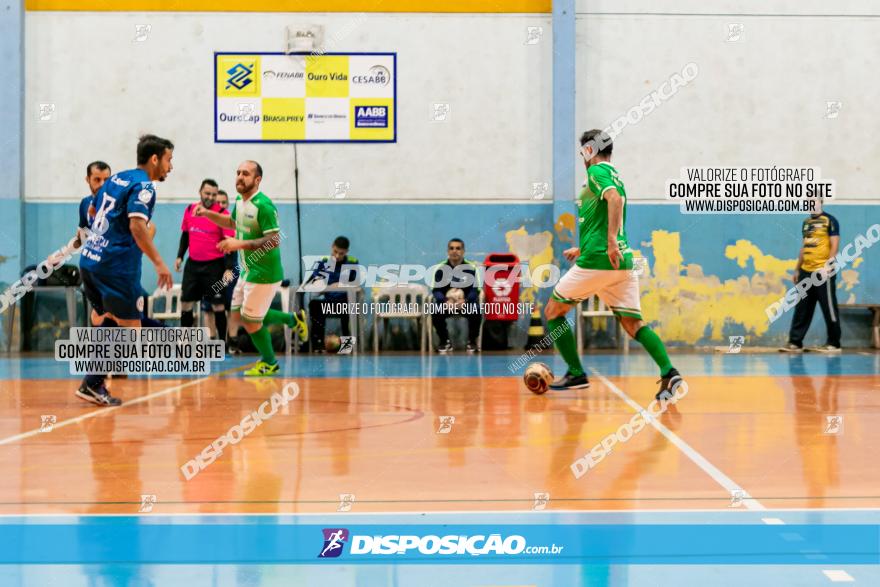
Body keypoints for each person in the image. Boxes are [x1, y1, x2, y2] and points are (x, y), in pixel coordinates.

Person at [544, 129, 684, 398]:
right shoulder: (612, 174)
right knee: (634, 325)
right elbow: (603, 215)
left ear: (588, 151)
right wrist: (584, 245)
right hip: (621, 262)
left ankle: (576, 373)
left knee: (553, 311)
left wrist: (608, 242)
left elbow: (614, 200)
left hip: (600, 260)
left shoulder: (596, 173)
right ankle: (669, 372)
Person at [76, 134, 175, 406]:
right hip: (114, 267)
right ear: (155, 159)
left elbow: (95, 209)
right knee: (130, 332)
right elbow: (137, 226)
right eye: (169, 160)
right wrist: (159, 263)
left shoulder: (118, 178)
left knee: (108, 319)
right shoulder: (144, 186)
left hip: (90, 260)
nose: (170, 167)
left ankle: (93, 383)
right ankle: (93, 382)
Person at [195, 160, 308, 376]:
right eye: (238, 172)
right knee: (239, 315)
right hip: (247, 271)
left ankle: (270, 362)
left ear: (257, 180)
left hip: (264, 274)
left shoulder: (264, 206)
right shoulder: (239, 201)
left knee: (250, 320)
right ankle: (292, 319)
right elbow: (231, 224)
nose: (239, 176)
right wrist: (208, 214)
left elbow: (273, 240)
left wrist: (238, 244)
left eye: (245, 173)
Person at [175, 179, 235, 341]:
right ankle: (184, 342)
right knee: (186, 303)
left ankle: (223, 344)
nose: (210, 197)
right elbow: (186, 235)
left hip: (214, 267)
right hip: (193, 266)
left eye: (214, 195)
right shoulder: (189, 209)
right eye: (207, 193)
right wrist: (180, 256)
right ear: (200, 192)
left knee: (218, 306)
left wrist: (228, 268)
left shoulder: (222, 214)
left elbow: (229, 244)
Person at [779, 198, 841, 353]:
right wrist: (797, 269)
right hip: (806, 271)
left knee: (829, 308)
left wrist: (828, 266)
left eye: (813, 201)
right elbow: (804, 246)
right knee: (802, 308)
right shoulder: (806, 222)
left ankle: (834, 343)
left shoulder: (830, 220)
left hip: (823, 271)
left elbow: (834, 245)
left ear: (821, 202)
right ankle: (795, 343)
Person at [305, 236, 359, 352]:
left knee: (350, 307)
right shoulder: (324, 262)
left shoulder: (352, 263)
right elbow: (312, 283)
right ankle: (318, 346)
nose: (337, 256)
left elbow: (356, 285)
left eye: (341, 253)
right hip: (328, 303)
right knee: (314, 305)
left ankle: (347, 348)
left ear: (346, 252)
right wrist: (331, 286)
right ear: (332, 247)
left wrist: (336, 285)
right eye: (335, 252)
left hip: (345, 303)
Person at [430, 238, 482, 353]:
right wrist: (445, 300)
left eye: (458, 248)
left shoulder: (471, 268)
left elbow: (475, 290)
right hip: (447, 304)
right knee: (435, 310)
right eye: (451, 248)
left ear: (463, 251)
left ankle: (472, 341)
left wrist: (466, 301)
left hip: (465, 303)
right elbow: (436, 290)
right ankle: (445, 341)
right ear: (448, 251)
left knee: (476, 310)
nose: (454, 251)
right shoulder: (440, 269)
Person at [73, 161, 111, 247]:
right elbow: (81, 237)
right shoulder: (85, 203)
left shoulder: (120, 202)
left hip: (115, 259)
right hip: (91, 258)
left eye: (106, 180)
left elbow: (146, 228)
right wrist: (62, 255)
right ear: (88, 179)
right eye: (97, 179)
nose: (102, 184)